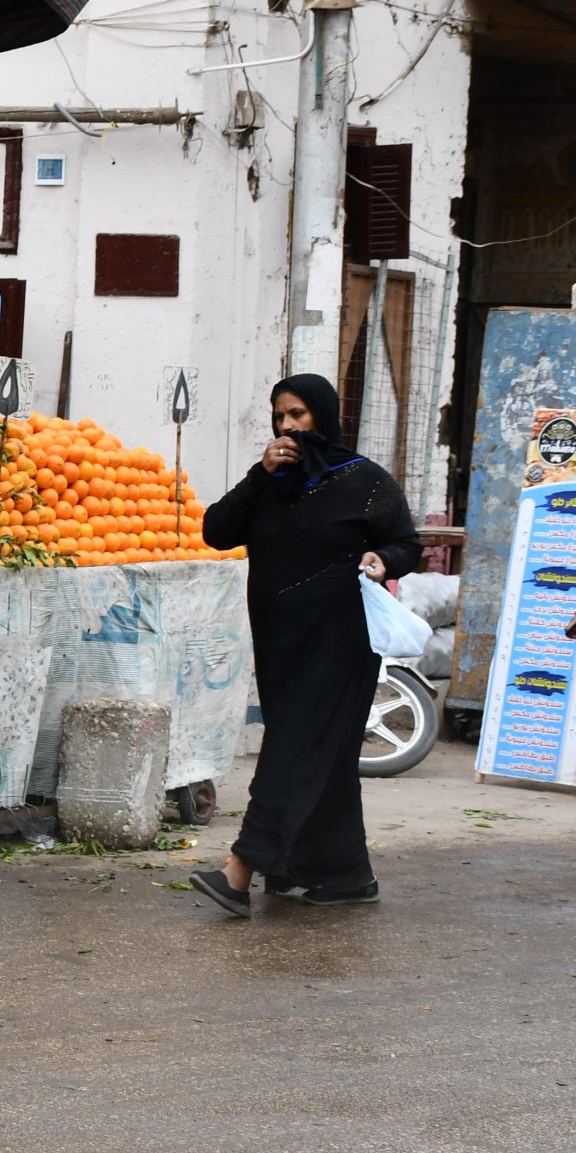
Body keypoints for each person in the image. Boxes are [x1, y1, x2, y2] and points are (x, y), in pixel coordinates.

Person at [191, 373, 421, 917]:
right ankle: (340, 875)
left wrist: (383, 560)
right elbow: (216, 531)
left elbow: (406, 541)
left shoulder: (362, 480)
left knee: (291, 750)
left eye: (297, 415)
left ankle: (240, 868)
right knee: (325, 755)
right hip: (281, 643)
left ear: (322, 414)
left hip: (339, 641)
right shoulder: (273, 482)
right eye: (279, 417)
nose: (288, 426)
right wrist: (260, 473)